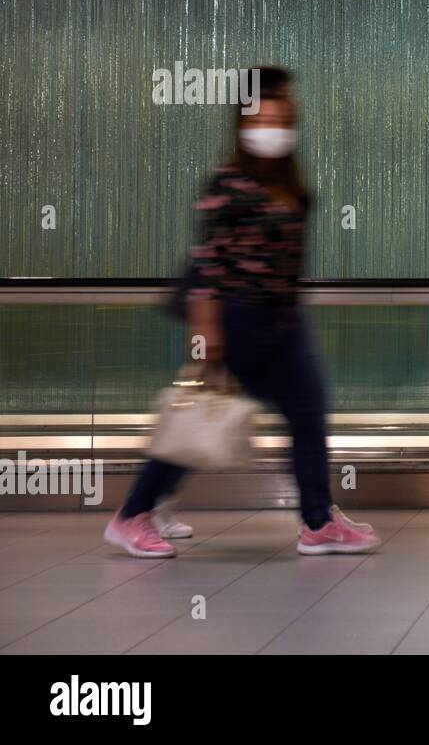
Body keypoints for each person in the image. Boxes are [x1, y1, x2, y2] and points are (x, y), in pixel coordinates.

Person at [105, 67, 381, 558]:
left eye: (281, 112)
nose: (273, 122)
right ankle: (132, 515)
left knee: (307, 413)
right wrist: (208, 331)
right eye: (263, 113)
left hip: (284, 322)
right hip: (241, 321)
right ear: (244, 122)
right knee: (202, 425)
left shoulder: (287, 179)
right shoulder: (228, 184)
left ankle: (318, 522)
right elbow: (207, 263)